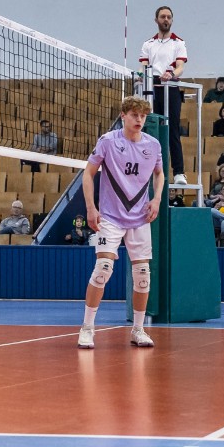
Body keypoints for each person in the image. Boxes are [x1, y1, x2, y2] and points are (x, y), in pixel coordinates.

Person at [79, 96, 166, 349]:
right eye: (134, 115)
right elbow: (88, 173)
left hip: (140, 217)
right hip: (110, 216)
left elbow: (159, 174)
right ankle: (87, 328)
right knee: (103, 268)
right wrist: (91, 207)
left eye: (143, 116)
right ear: (123, 116)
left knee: (143, 276)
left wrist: (157, 199)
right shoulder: (108, 140)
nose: (139, 119)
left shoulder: (153, 144)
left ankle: (138, 329)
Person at [138, 5, 187, 174]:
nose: (166, 19)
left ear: (172, 20)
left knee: (172, 130)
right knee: (151, 130)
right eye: (162, 17)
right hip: (152, 91)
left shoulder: (178, 43)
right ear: (156, 20)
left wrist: (171, 74)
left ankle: (179, 172)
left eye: (168, 17)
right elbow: (143, 66)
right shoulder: (148, 44)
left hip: (170, 89)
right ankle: (151, 169)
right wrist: (141, 75)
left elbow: (180, 67)